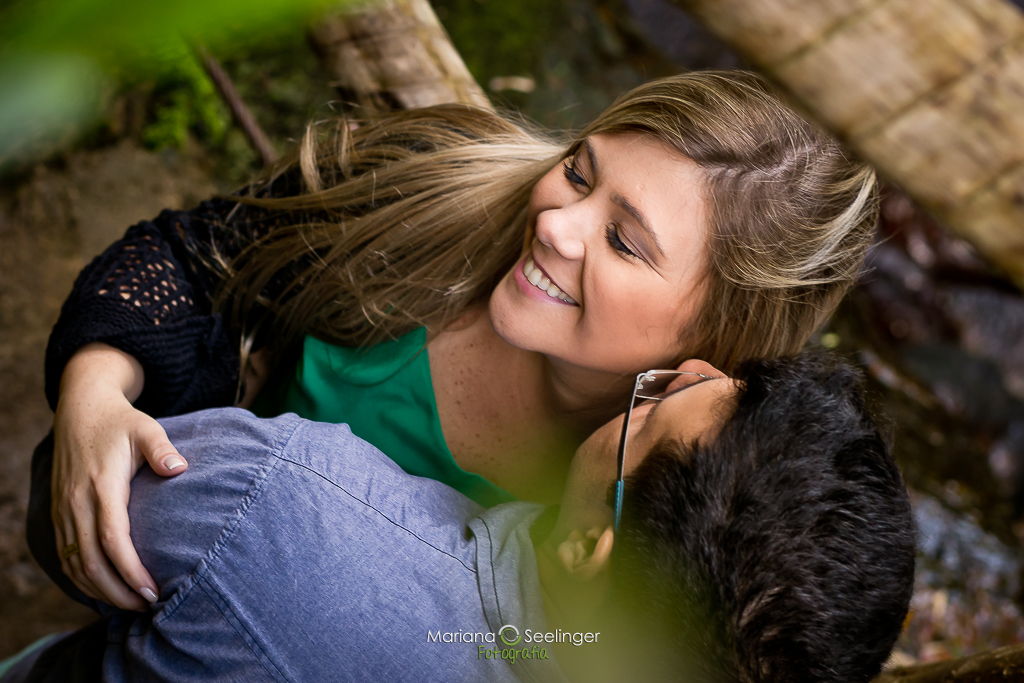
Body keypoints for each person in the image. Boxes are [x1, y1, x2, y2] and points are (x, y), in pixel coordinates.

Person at [35, 71, 880, 611]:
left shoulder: (653, 516)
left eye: (625, 241)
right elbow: (202, 249)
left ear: (714, 341)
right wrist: (96, 393)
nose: (555, 221)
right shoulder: (438, 177)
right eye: (581, 171)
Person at [8, 353, 916, 682]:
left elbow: (63, 508)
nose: (687, 364)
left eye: (654, 404)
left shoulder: (280, 498)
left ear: (587, 546)